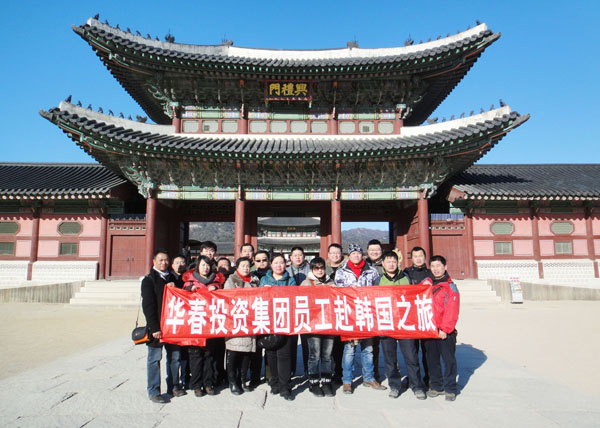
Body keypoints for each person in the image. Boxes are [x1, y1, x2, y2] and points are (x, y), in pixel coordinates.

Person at [334, 244, 386, 394]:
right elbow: (337, 292)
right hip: (350, 315)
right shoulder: (341, 272)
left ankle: (369, 378)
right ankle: (347, 381)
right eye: (353, 253)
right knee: (349, 350)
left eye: (358, 253)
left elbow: (378, 291)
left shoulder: (372, 271)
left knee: (368, 349)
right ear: (349, 255)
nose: (356, 256)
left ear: (362, 255)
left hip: (367, 314)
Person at [376, 251, 427, 400]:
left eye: (394, 261)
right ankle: (394, 385)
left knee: (411, 356)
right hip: (387, 323)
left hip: (405, 323)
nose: (391, 264)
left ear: (398, 263)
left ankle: (416, 385)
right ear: (383, 264)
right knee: (390, 358)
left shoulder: (406, 277)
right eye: (388, 261)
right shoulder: (378, 280)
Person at [141, 249, 185, 403]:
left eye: (166, 260)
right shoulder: (148, 280)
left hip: (173, 325)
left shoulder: (174, 278)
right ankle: (154, 391)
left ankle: (174, 386)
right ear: (154, 261)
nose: (164, 263)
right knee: (154, 359)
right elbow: (148, 306)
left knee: (175, 357)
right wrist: (154, 328)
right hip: (157, 327)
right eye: (160, 260)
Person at [182, 255, 226, 397]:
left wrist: (216, 288)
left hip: (211, 323)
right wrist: (189, 289)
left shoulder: (216, 282)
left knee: (209, 356)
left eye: (208, 265)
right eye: (203, 265)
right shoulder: (189, 282)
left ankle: (208, 383)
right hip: (195, 323)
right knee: (195, 356)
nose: (205, 268)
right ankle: (196, 385)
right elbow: (183, 297)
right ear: (197, 266)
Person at [259, 253, 297, 401]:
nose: (279, 265)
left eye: (281, 263)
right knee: (271, 354)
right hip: (268, 320)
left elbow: (294, 298)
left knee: (284, 354)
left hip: (285, 320)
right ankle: (274, 382)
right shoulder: (264, 280)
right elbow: (257, 298)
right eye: (276, 263)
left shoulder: (290, 280)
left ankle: (285, 386)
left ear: (286, 264)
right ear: (271, 265)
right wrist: (263, 291)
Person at [422, 255, 460, 401]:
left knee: (449, 361)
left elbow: (452, 310)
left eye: (438, 266)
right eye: (433, 266)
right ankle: (436, 386)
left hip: (445, 331)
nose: (436, 269)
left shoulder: (450, 287)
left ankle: (450, 388)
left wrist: (445, 329)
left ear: (445, 267)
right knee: (432, 360)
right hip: (430, 330)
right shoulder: (426, 284)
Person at [223, 257, 260, 395]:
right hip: (236, 321)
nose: (245, 268)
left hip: (250, 321)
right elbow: (227, 299)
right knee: (234, 353)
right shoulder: (231, 280)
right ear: (237, 267)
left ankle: (243, 380)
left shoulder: (255, 281)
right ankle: (233, 381)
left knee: (247, 353)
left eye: (247, 266)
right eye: (242, 265)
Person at [300, 257, 336, 397]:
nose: (320, 271)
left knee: (327, 355)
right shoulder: (306, 283)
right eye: (316, 268)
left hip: (329, 323)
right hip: (313, 324)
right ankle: (313, 382)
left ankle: (326, 381)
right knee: (314, 355)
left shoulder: (331, 282)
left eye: (322, 268)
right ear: (312, 269)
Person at [403, 246, 434, 386]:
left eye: (421, 256)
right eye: (415, 256)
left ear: (425, 257)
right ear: (412, 258)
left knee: (428, 350)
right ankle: (413, 378)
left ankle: (430, 378)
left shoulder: (431, 273)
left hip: (427, 315)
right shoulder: (406, 273)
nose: (418, 259)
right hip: (411, 316)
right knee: (412, 350)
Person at [286, 246, 310, 376]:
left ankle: (309, 370)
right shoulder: (285, 271)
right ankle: (290, 371)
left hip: (307, 312)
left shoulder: (311, 270)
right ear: (290, 257)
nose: (298, 257)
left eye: (300, 255)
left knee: (308, 344)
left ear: (304, 257)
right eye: (295, 255)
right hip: (290, 312)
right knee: (291, 344)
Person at [326, 243, 346, 384]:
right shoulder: (322, 268)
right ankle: (328, 372)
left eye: (337, 253)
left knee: (340, 345)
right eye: (332, 253)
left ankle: (339, 372)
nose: (335, 255)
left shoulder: (347, 269)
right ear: (328, 255)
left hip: (342, 311)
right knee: (328, 345)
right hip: (327, 312)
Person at [365, 239, 384, 380]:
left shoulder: (388, 263)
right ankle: (373, 372)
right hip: (368, 309)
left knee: (388, 343)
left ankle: (392, 371)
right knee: (372, 344)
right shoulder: (363, 265)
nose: (374, 252)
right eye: (371, 250)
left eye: (377, 249)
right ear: (367, 251)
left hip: (384, 308)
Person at [170, 254, 189, 389]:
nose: (180, 265)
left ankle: (186, 379)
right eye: (177, 262)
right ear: (172, 265)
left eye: (182, 262)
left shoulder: (189, 279)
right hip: (175, 320)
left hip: (187, 320)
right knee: (174, 355)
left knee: (186, 353)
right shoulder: (168, 278)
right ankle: (174, 383)